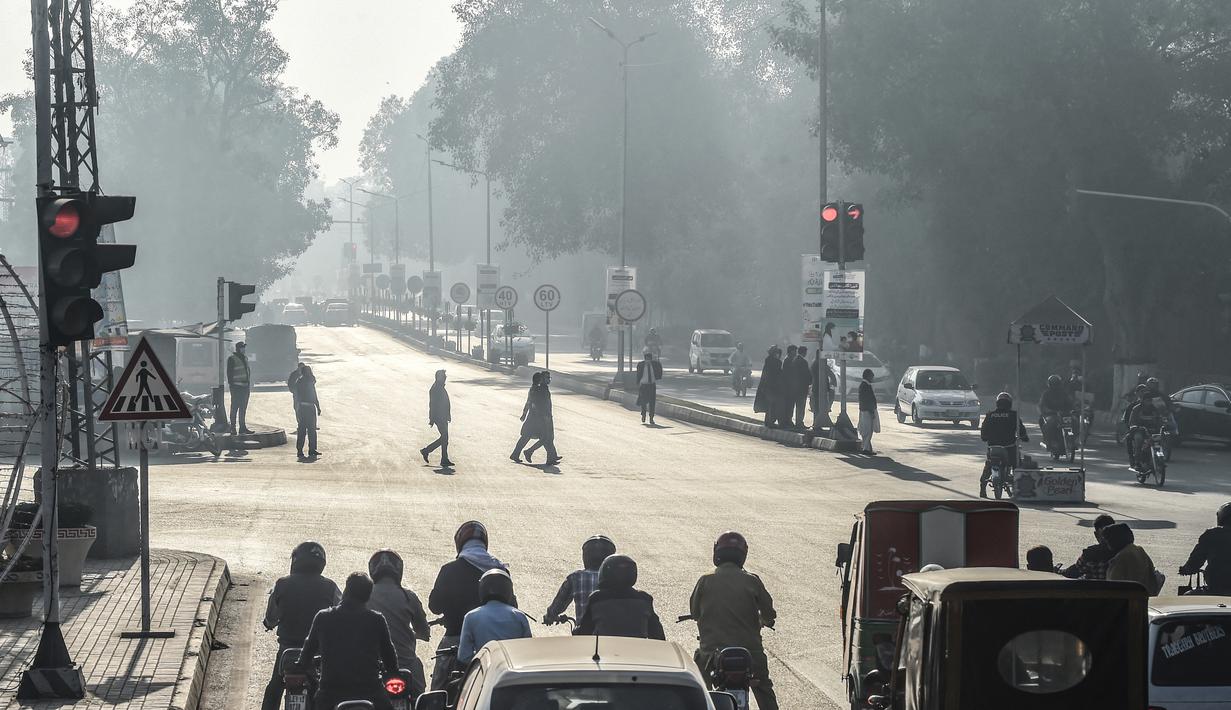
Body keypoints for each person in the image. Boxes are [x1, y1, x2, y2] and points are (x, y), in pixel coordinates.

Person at [690, 532, 778, 710]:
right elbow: (769, 613)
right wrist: (765, 620)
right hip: (750, 653)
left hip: (711, 653)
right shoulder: (752, 580)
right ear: (743, 555)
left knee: (699, 688)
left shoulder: (706, 580)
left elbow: (694, 612)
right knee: (764, 689)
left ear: (717, 553)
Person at [428, 521, 512, 689]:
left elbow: (434, 606)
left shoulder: (449, 570)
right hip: (494, 643)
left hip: (454, 638)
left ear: (460, 543)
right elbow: (512, 604)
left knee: (438, 688)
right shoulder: (499, 569)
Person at [297, 572, 400, 710]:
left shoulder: (323, 617)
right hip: (371, 692)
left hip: (330, 693)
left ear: (346, 591)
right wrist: (393, 673)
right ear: (368, 597)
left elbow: (309, 649)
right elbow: (388, 653)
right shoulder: (377, 620)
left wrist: (300, 666)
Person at [261, 542, 341, 710]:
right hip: (318, 650)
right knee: (330, 689)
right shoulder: (330, 586)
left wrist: (269, 624)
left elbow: (271, 617)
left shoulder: (282, 584)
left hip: (288, 650)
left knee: (274, 688)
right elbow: (341, 614)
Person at [366, 549, 431, 695]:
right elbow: (424, 632)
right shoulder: (408, 596)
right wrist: (414, 634)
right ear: (398, 570)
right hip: (406, 666)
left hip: (373, 666)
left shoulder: (364, 595)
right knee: (419, 697)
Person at [575, 555, 666, 640]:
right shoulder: (644, 599)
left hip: (604, 652)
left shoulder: (597, 598)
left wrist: (576, 630)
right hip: (637, 653)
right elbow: (658, 635)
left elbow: (584, 632)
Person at [457, 568, 531, 663]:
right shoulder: (519, 616)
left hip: (486, 673)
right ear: (508, 590)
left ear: (481, 589)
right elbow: (528, 651)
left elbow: (464, 656)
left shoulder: (471, 616)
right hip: (514, 671)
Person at [545, 535, 616, 624]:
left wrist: (550, 616)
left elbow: (558, 605)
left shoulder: (576, 578)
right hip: (613, 634)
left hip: (584, 634)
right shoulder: (618, 578)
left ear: (586, 556)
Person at [978, 392, 1028, 498]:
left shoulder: (990, 415)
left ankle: (982, 488)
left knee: (989, 464)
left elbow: (983, 432)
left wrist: (985, 438)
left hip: (993, 447)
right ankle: (1019, 488)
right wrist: (1024, 437)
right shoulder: (1013, 415)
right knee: (1017, 465)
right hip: (1009, 447)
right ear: (1009, 404)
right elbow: (1021, 431)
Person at [1179, 502, 1231, 595]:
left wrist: (1186, 569)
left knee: (1187, 597)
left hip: (1216, 588)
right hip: (1219, 587)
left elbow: (1195, 560)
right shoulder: (1212, 534)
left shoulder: (1212, 534)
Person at [1104, 523, 1162, 595]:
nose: (1106, 544)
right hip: (1144, 597)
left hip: (1127, 600)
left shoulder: (1120, 558)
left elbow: (1112, 585)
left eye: (1107, 540)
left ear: (1113, 540)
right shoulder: (1139, 551)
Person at [517, 372, 560, 465]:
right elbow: (534, 403)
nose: (549, 379)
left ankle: (552, 456)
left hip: (542, 416)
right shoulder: (538, 390)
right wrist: (544, 416)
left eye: (549, 378)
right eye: (546, 378)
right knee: (544, 438)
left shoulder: (541, 388)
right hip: (538, 418)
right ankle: (529, 452)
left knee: (546, 437)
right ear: (541, 379)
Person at [1062, 514, 1116, 580]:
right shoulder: (1124, 551)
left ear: (1096, 534)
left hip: (1093, 589)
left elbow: (1073, 572)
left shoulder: (1091, 553)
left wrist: (1058, 571)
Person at [420, 369, 454, 467]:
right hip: (439, 417)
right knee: (444, 437)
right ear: (439, 377)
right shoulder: (435, 389)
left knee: (445, 438)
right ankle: (426, 450)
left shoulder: (440, 387)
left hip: (443, 416)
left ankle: (444, 458)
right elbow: (432, 405)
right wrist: (432, 419)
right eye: (444, 376)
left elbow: (445, 403)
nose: (445, 378)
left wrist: (448, 415)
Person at [1126, 392, 1168, 468]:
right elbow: (1132, 422)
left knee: (1161, 441)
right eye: (1147, 400)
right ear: (1143, 400)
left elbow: (1160, 419)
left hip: (1153, 431)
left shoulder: (1155, 409)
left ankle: (1159, 459)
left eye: (1150, 400)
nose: (1149, 402)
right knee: (1138, 440)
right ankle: (1137, 461)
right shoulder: (1136, 409)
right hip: (1140, 430)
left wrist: (1163, 424)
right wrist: (1134, 427)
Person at [288, 363, 321, 460]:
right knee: (312, 430)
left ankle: (299, 451)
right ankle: (312, 449)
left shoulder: (299, 382)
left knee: (301, 430)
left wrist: (297, 408)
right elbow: (314, 395)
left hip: (302, 407)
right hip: (310, 408)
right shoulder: (309, 381)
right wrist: (318, 407)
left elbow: (296, 396)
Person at [1037, 374, 1074, 451]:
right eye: (1053, 384)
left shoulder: (1064, 393)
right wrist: (1048, 411)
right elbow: (1042, 405)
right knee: (1049, 424)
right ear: (1050, 385)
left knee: (1075, 422)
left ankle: (1072, 440)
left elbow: (1070, 403)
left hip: (1064, 414)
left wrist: (1073, 409)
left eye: (1056, 384)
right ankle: (1050, 440)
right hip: (1052, 415)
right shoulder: (1046, 394)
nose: (1055, 386)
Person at [227, 341, 253, 435]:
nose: (244, 349)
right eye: (242, 347)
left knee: (243, 408)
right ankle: (233, 428)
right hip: (236, 388)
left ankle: (242, 427)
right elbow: (229, 374)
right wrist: (232, 386)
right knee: (234, 407)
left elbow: (247, 371)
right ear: (238, 348)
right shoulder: (232, 359)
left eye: (244, 347)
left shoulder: (245, 358)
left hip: (245, 387)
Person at [754, 346, 783, 428]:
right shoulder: (776, 362)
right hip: (772, 387)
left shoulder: (768, 360)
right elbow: (777, 374)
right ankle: (770, 421)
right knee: (771, 404)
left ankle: (768, 421)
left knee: (769, 404)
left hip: (766, 386)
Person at [635, 349, 663, 425]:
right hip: (644, 385)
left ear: (651, 359)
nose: (648, 361)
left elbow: (660, 369)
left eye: (649, 359)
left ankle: (651, 418)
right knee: (643, 402)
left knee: (652, 402)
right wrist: (637, 383)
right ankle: (643, 414)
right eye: (646, 359)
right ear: (644, 359)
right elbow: (638, 375)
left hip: (652, 385)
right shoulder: (641, 365)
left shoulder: (655, 365)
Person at [858, 368, 878, 455]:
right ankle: (866, 448)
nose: (873, 378)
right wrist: (872, 411)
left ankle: (867, 447)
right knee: (868, 430)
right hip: (867, 410)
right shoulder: (866, 386)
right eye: (872, 376)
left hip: (863, 410)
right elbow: (868, 400)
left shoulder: (863, 385)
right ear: (868, 376)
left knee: (865, 429)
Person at [792, 346, 812, 428]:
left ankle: (797, 422)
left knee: (796, 406)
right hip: (801, 387)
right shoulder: (803, 362)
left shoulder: (794, 360)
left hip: (794, 387)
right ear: (804, 352)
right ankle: (799, 423)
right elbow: (806, 375)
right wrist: (810, 382)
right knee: (801, 406)